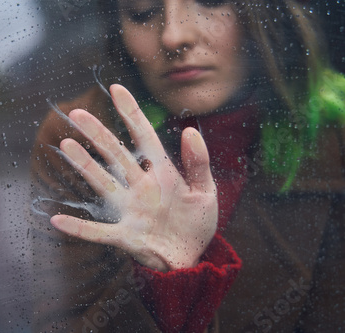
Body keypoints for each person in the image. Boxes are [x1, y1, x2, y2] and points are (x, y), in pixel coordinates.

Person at [30, 0, 345, 331]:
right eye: (141, 11)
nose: (173, 36)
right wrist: (166, 284)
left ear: (264, 11)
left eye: (210, 2)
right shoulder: (78, 140)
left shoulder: (335, 137)